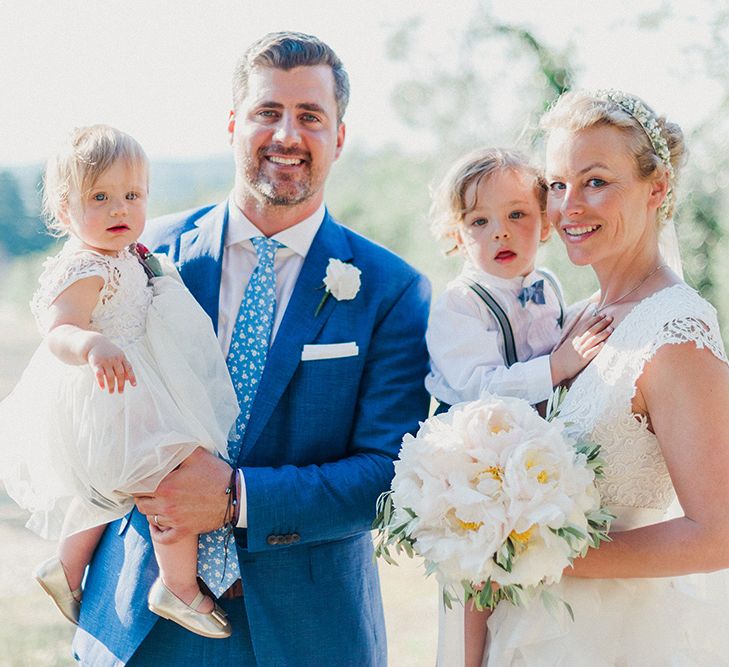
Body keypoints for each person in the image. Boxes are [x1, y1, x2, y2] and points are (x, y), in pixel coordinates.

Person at [73, 32, 431, 666]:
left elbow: (388, 474)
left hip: (309, 634)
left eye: (311, 116)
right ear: (235, 124)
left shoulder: (391, 290)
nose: (287, 135)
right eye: (268, 112)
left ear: (339, 137)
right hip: (141, 621)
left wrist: (240, 497)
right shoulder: (136, 255)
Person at [451, 89, 729, 666]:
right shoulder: (573, 319)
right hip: (528, 633)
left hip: (616, 642)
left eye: (596, 181)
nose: (569, 206)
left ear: (657, 190)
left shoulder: (675, 334)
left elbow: (717, 533)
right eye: (556, 185)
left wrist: (531, 551)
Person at [0, 125, 239, 638]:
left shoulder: (127, 255)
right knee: (173, 478)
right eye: (100, 197)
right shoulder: (87, 266)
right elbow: (58, 329)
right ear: (65, 212)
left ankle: (65, 568)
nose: (119, 210)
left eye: (132, 196)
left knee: (109, 495)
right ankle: (177, 588)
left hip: (133, 390)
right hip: (110, 396)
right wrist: (89, 345)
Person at [425, 147, 612, 666]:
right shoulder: (460, 303)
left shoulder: (547, 287)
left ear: (546, 224)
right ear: (458, 235)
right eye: (479, 221)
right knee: (476, 583)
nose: (499, 233)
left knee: (528, 582)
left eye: (516, 215)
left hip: (529, 458)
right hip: (472, 463)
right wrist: (557, 367)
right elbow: (476, 389)